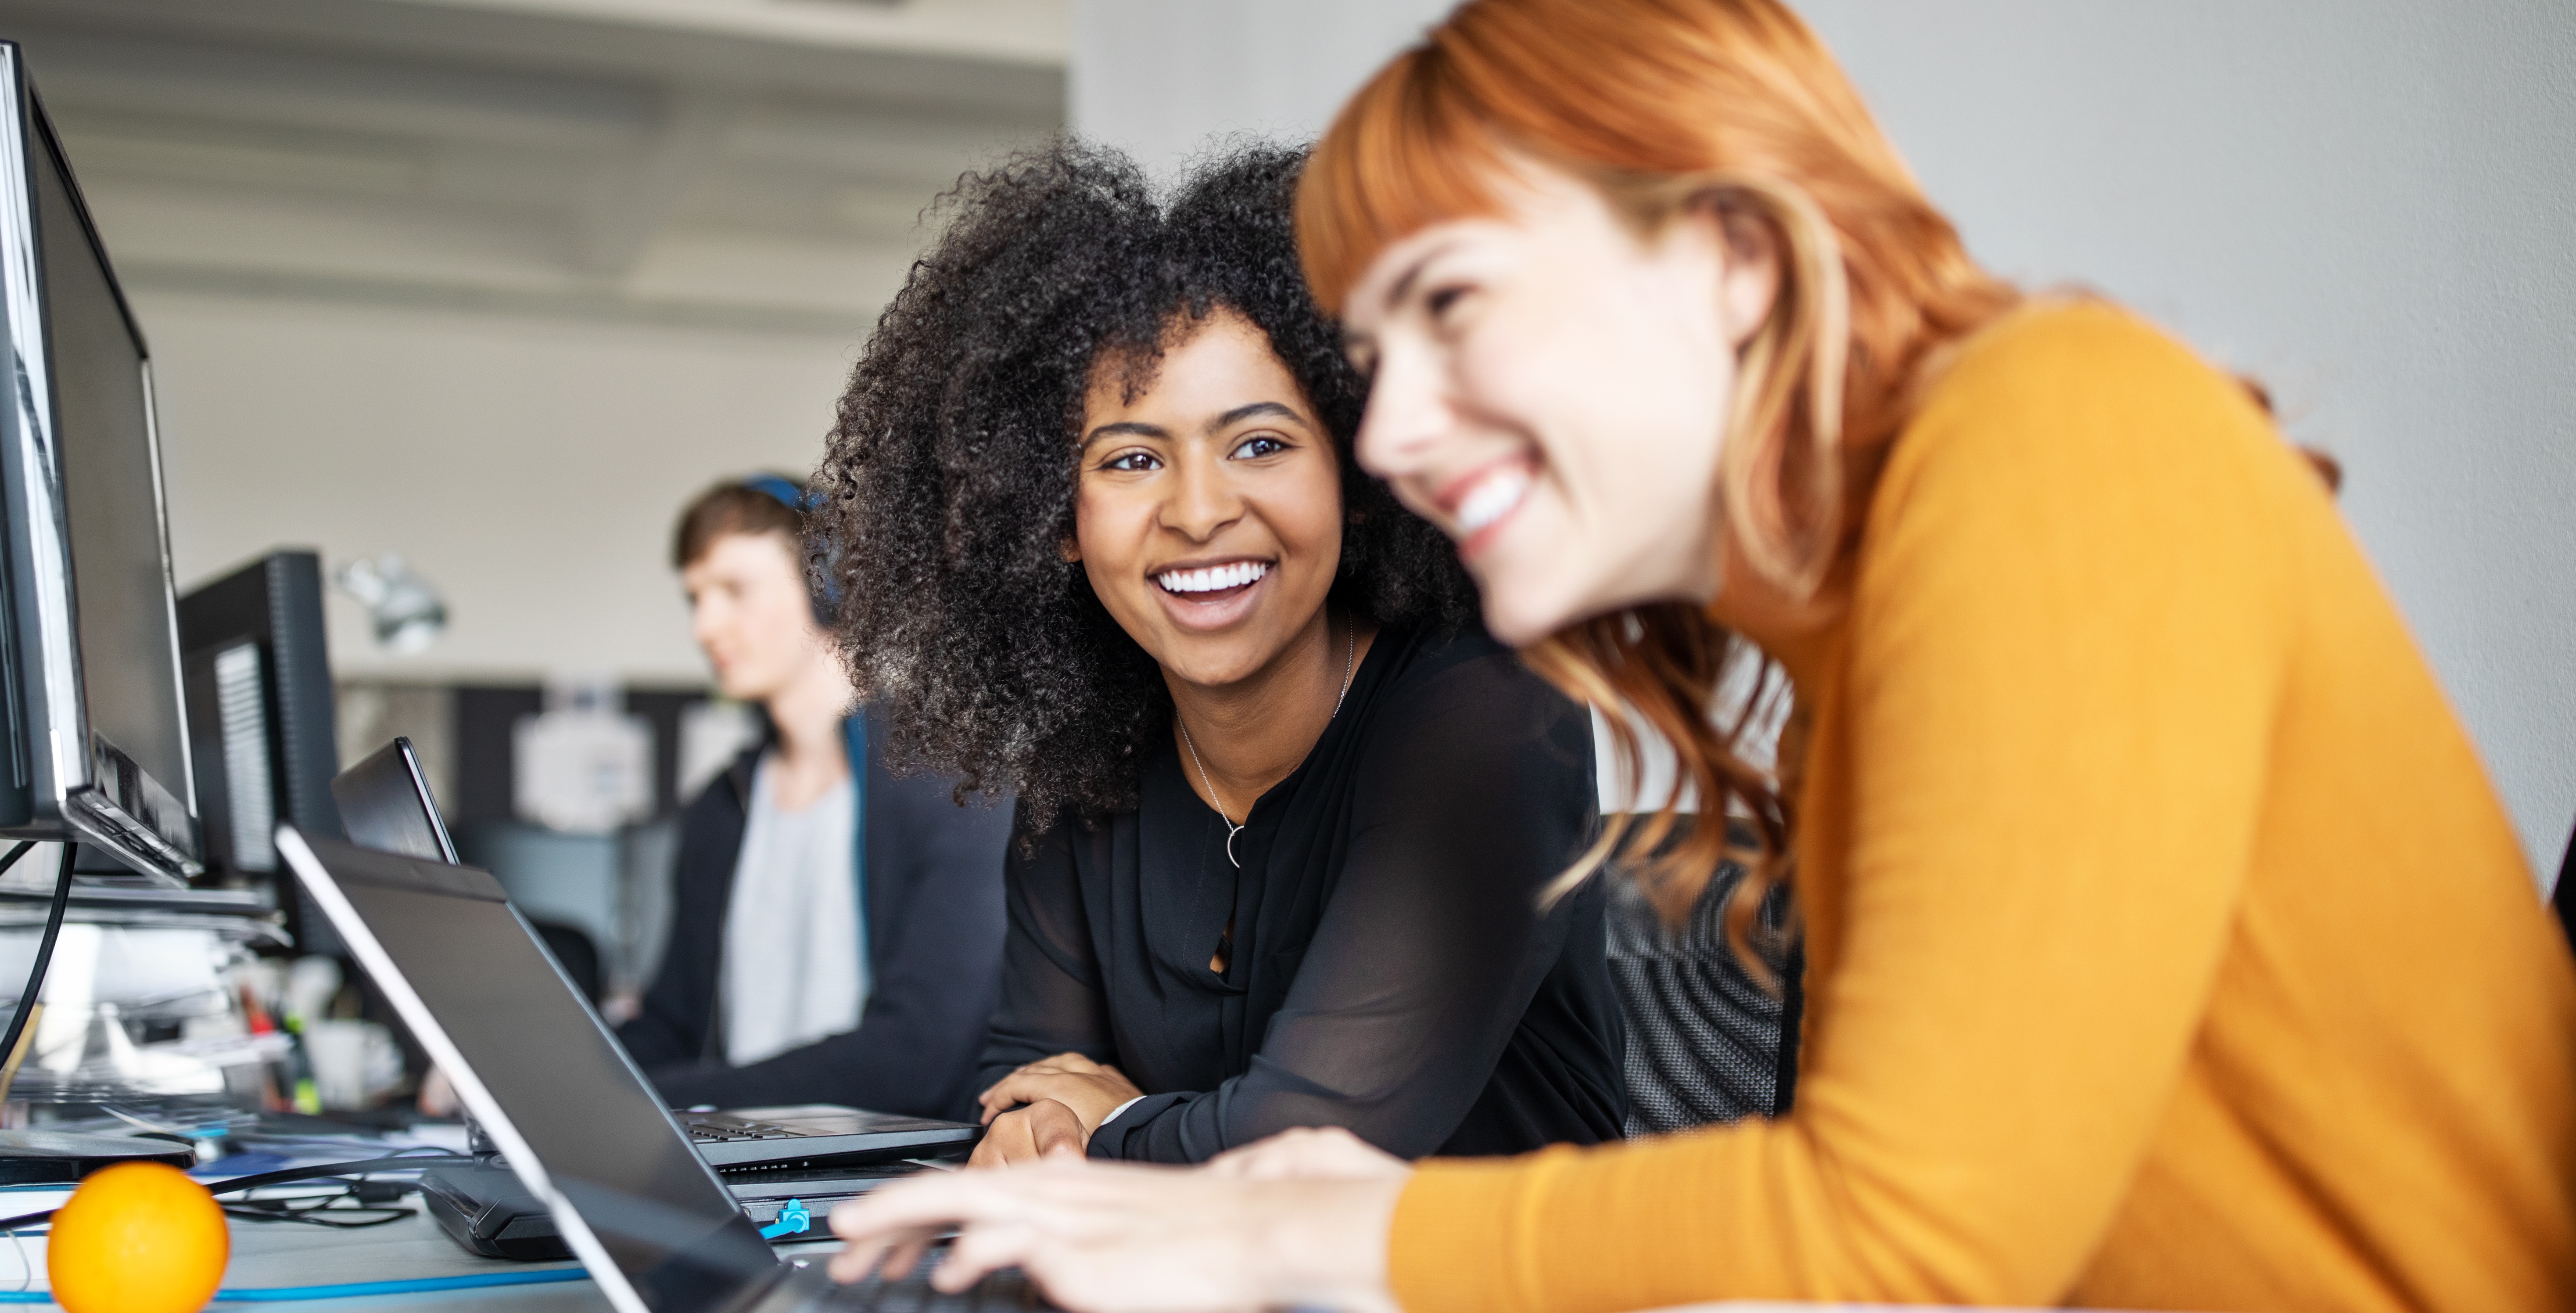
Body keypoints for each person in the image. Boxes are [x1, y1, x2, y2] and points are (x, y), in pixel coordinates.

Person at [828, 0, 2576, 1308]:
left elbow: (1905, 1232)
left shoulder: (2048, 432)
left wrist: (1267, 1215)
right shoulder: (1868, 619)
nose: (1399, 430)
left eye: (1449, 309)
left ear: (1730, 256)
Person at [815, 143, 1627, 1167]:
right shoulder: (1085, 765)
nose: (1198, 512)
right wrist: (1077, 1135)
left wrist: (1107, 1124)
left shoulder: (1490, 717)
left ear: (1359, 471)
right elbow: (1023, 1107)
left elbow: (1306, 1148)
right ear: (1055, 518)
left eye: (1259, 444)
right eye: (1132, 459)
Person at [616, 475, 1015, 1121]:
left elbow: (916, 1058)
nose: (704, 625)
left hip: (889, 1179)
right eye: (694, 597)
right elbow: (670, 1027)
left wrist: (650, 1101)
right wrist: (535, 1084)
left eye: (734, 591)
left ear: (828, 586)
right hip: (734, 1170)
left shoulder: (951, 788)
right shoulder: (722, 807)